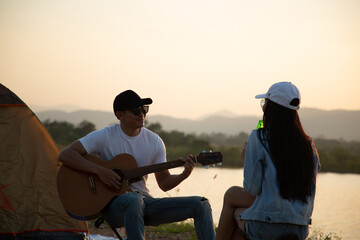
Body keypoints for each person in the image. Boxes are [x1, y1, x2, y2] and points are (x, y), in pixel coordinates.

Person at [58, 90, 215, 240]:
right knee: (133, 199)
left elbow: (164, 184)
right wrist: (100, 171)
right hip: (113, 207)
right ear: (120, 115)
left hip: (145, 202)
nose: (142, 114)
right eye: (136, 110)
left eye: (144, 109)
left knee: (201, 204)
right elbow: (66, 154)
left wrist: (184, 174)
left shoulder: (154, 142)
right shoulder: (105, 136)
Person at [216, 82, 320, 240]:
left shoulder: (259, 137)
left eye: (265, 103)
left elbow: (252, 188)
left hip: (267, 226)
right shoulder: (308, 145)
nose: (263, 108)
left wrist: (246, 159)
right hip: (300, 228)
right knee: (240, 228)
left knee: (234, 205)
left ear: (272, 108)